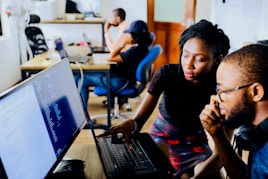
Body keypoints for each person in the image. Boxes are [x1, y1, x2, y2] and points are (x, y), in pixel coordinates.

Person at [98, 19, 230, 179]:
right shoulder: (167, 75)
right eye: (185, 55)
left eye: (199, 59)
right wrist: (130, 125)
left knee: (212, 176)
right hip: (162, 136)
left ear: (217, 59)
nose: (188, 64)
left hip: (195, 142)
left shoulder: (223, 91)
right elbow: (138, 121)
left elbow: (222, 153)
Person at [199, 44, 268, 179]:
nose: (216, 99)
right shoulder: (259, 132)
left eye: (223, 91)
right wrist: (218, 134)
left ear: (255, 92)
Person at [78, 20, 152, 105]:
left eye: (130, 34)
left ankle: (84, 115)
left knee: (81, 80)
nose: (128, 36)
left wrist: (123, 43)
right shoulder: (143, 48)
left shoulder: (135, 51)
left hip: (121, 82)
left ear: (135, 36)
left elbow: (111, 57)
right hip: (123, 78)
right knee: (80, 76)